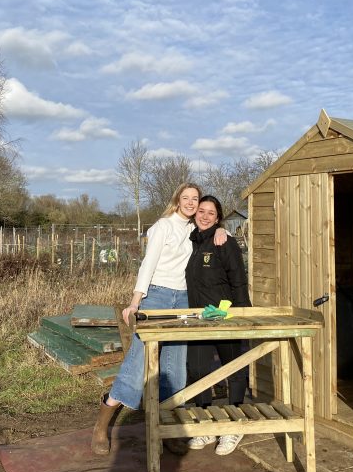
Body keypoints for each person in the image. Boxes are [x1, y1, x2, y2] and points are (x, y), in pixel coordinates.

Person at [91, 182, 227, 456]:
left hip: (184, 300)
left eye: (195, 199)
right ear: (177, 200)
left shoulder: (193, 230)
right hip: (158, 296)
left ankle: (166, 430)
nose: (191, 203)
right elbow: (148, 264)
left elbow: (212, 230)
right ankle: (102, 424)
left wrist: (221, 228)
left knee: (175, 365)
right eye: (186, 198)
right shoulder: (163, 226)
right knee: (138, 360)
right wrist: (135, 301)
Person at [185, 195, 251, 456]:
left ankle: (234, 424)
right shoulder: (191, 242)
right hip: (199, 319)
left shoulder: (225, 242)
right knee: (199, 369)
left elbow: (238, 279)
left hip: (225, 316)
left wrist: (241, 314)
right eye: (201, 211)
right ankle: (206, 424)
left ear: (218, 218)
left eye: (211, 213)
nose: (204, 216)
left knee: (233, 367)